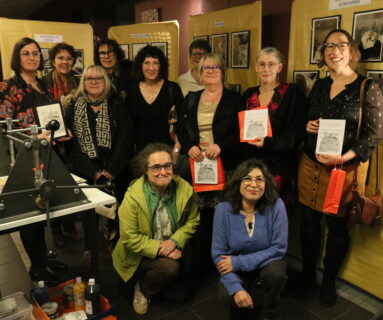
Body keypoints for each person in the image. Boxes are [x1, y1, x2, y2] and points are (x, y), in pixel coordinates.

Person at [298, 29, 383, 307]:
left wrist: (345, 156)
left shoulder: (367, 86)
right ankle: (308, 276)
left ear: (352, 50)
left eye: (341, 45)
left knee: (336, 227)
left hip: (340, 171)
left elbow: (374, 134)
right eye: (329, 46)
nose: (334, 50)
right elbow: (312, 119)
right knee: (308, 224)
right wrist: (309, 126)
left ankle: (329, 282)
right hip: (309, 164)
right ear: (324, 53)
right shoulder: (320, 85)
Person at [0, 37, 67, 282]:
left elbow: (51, 117)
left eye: (36, 53)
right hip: (24, 156)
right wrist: (36, 134)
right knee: (30, 213)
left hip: (47, 155)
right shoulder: (7, 86)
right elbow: (5, 127)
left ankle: (45, 259)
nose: (32, 57)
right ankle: (37, 267)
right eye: (26, 53)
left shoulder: (43, 85)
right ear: (17, 57)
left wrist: (61, 132)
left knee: (44, 207)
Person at [112, 143, 200, 314]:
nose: (163, 171)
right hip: (139, 254)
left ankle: (156, 281)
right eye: (156, 167)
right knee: (169, 268)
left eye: (168, 166)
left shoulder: (184, 189)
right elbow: (130, 237)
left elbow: (193, 220)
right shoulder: (133, 197)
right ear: (145, 170)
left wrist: (175, 241)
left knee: (179, 295)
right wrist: (161, 248)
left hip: (173, 248)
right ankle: (142, 290)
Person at [176, 53, 242, 272]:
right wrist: (189, 147)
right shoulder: (192, 98)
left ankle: (222, 262)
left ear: (223, 72)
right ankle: (202, 262)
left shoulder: (234, 99)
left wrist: (221, 145)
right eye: (206, 68)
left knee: (223, 215)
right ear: (200, 74)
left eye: (215, 67)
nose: (210, 71)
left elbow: (242, 132)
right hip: (198, 166)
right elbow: (180, 128)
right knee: (200, 216)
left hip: (226, 166)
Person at [65, 64, 133, 253]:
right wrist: (92, 171)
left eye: (99, 78)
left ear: (106, 81)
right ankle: (90, 250)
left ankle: (116, 245)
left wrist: (111, 169)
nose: (94, 82)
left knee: (117, 211)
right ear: (83, 83)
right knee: (89, 215)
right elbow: (72, 145)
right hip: (86, 171)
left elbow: (125, 139)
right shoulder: (74, 107)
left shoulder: (117, 104)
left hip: (115, 170)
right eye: (89, 79)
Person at [212, 159, 288, 320]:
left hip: (265, 262)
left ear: (266, 184)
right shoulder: (223, 209)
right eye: (247, 178)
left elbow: (278, 248)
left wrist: (238, 262)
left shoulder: (276, 205)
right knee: (227, 294)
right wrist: (236, 288)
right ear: (237, 182)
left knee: (277, 273)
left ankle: (271, 311)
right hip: (234, 266)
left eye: (259, 179)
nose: (254, 184)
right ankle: (243, 303)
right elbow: (219, 254)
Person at [242, 47, 306, 205]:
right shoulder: (248, 94)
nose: (266, 69)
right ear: (256, 67)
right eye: (262, 64)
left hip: (279, 169)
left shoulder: (292, 93)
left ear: (280, 67)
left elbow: (296, 133)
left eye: (271, 64)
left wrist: (268, 142)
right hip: (250, 169)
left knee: (276, 219)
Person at [42, 42, 81, 246]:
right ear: (53, 61)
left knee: (70, 182)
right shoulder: (44, 82)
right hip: (52, 143)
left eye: (68, 58)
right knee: (54, 184)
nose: (65, 62)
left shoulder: (77, 81)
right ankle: (56, 229)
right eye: (60, 58)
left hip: (72, 141)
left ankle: (71, 224)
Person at [127, 45, 183, 155]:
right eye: (147, 63)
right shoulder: (132, 91)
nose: (151, 68)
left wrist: (176, 152)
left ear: (161, 66)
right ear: (140, 66)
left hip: (168, 154)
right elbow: (128, 129)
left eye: (155, 63)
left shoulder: (172, 88)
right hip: (141, 156)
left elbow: (183, 124)